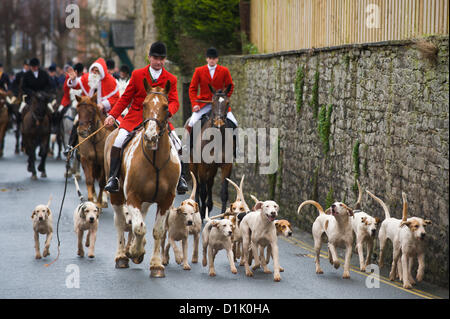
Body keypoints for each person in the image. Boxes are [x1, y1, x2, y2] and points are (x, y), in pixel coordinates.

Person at [103, 41, 189, 194]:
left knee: (178, 143)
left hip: (160, 119)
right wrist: (112, 115)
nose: (158, 62)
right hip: (136, 115)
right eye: (155, 58)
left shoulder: (171, 78)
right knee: (118, 140)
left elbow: (175, 101)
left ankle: (181, 178)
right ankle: (113, 178)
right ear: (149, 58)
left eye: (162, 58)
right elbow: (125, 98)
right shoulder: (137, 75)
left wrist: (168, 111)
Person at [64, 58, 120, 155]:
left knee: (118, 126)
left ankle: (117, 148)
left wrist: (103, 104)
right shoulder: (87, 78)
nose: (95, 72)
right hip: (88, 111)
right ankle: (71, 146)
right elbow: (76, 84)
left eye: (97, 71)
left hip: (106, 111)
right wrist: (73, 80)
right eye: (93, 70)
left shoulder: (110, 80)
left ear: (102, 71)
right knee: (77, 121)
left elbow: (115, 97)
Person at [187, 47, 237, 154]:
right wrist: (194, 104)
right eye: (210, 58)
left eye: (214, 58)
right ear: (206, 59)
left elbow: (230, 86)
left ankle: (235, 150)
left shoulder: (224, 71)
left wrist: (223, 100)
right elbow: (192, 89)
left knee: (234, 122)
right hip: (203, 104)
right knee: (192, 122)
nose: (212, 60)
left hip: (220, 105)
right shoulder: (199, 71)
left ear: (217, 59)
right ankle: (188, 147)